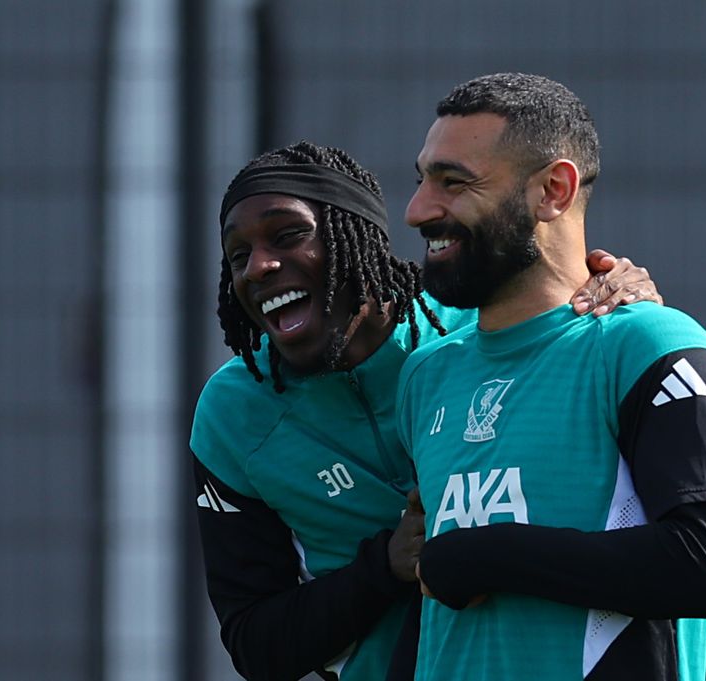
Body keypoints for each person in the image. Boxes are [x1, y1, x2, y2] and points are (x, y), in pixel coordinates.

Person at [190, 140, 663, 681]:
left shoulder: (478, 329)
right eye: (237, 255)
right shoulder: (233, 413)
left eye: (288, 235)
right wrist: (385, 567)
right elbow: (257, 644)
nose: (259, 266)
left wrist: (618, 301)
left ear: (358, 237)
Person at [396, 73, 706, 681]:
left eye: (453, 182)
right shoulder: (428, 373)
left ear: (553, 192)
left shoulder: (649, 344)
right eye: (422, 179)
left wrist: (487, 555)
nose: (417, 209)